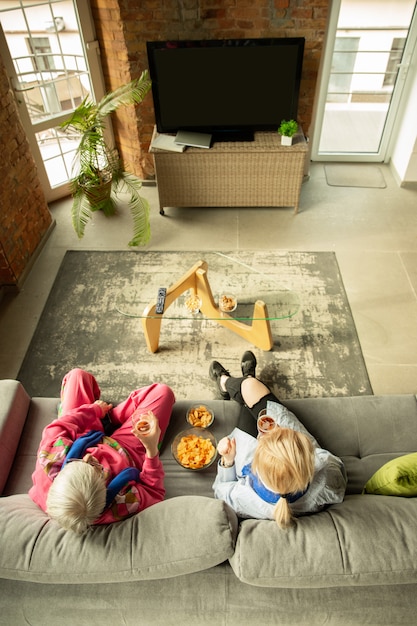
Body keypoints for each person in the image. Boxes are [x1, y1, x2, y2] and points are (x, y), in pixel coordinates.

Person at [210, 351, 347, 529]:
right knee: (251, 387)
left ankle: (225, 382)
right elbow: (335, 466)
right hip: (287, 459)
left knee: (249, 390)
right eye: (289, 432)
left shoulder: (243, 499)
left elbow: (221, 490)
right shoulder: (327, 476)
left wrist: (228, 461)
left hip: (246, 457)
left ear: (256, 464)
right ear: (309, 461)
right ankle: (246, 379)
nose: (276, 427)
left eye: (264, 438)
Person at [29, 368, 175, 534]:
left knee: (78, 376)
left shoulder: (48, 464)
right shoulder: (120, 505)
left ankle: (110, 416)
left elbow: (60, 426)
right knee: (163, 392)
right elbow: (154, 492)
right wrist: (151, 448)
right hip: (126, 450)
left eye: (79, 462)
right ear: (106, 494)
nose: (90, 456)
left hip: (83, 432)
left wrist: (94, 410)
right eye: (98, 469)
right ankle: (115, 417)